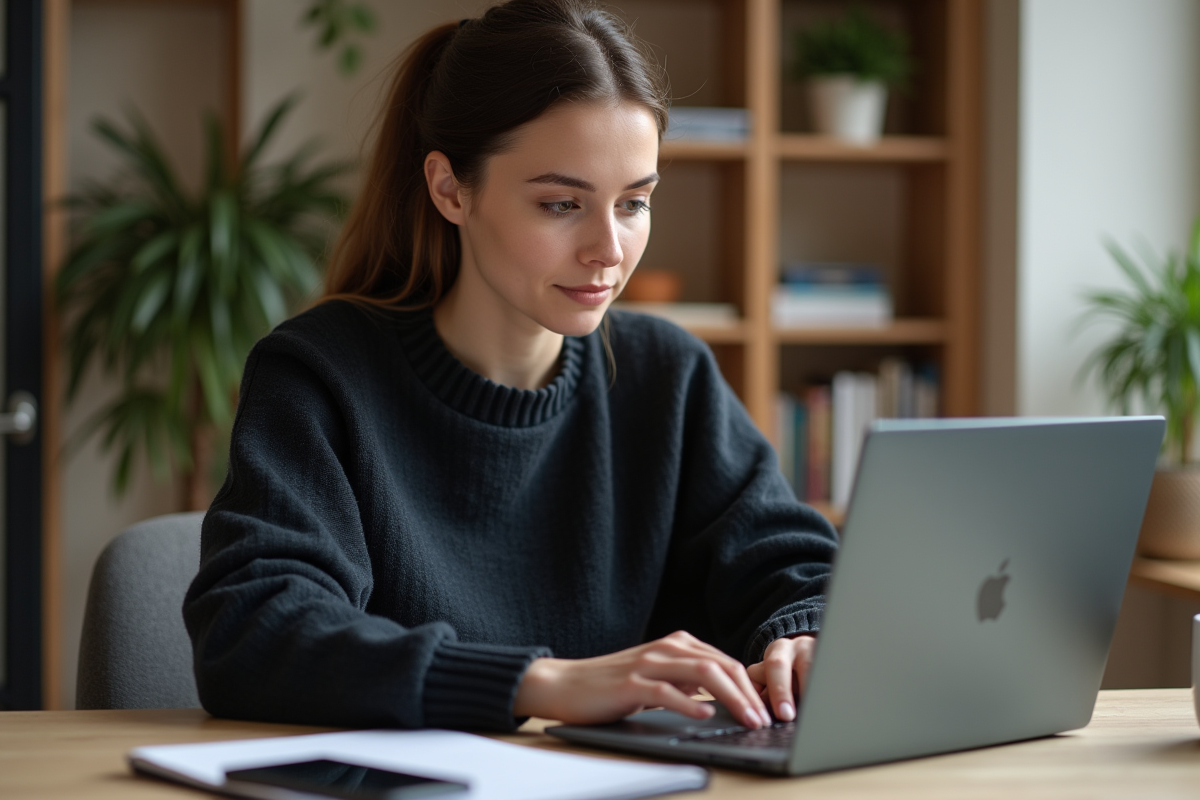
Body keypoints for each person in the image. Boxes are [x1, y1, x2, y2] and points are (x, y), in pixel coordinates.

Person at [183, 0, 838, 735]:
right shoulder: (321, 376)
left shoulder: (668, 373)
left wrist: (805, 636)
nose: (609, 250)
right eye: (562, 203)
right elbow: (253, 630)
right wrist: (538, 683)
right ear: (450, 189)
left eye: (634, 203)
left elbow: (792, 565)